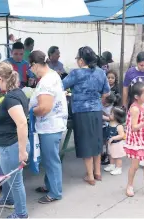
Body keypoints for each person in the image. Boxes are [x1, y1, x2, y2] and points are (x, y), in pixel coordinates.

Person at [63, 46, 110, 186]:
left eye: (77, 58)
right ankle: (98, 173)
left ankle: (90, 176)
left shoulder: (76, 73)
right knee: (96, 141)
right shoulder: (101, 72)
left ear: (82, 60)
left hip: (81, 112)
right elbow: (106, 93)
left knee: (85, 143)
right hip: (96, 111)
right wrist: (97, 103)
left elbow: (60, 85)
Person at [28, 50, 68, 204]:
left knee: (51, 160)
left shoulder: (46, 81)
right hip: (52, 124)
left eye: (31, 68)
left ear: (35, 65)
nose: (31, 71)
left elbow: (44, 108)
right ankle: (49, 185)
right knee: (48, 158)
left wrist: (31, 111)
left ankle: (55, 193)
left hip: (49, 125)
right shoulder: (52, 74)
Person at [0, 62, 29, 219]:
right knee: (1, 173)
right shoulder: (17, 93)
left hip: (11, 146)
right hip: (6, 146)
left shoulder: (11, 98)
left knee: (15, 181)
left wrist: (22, 151)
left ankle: (21, 214)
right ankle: (9, 199)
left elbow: (22, 122)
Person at [103, 106, 126, 175]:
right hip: (111, 144)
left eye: (111, 114)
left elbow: (121, 135)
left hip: (117, 144)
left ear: (117, 117)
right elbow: (104, 117)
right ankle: (112, 165)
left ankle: (119, 168)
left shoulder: (119, 126)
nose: (109, 114)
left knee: (117, 157)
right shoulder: (111, 121)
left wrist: (113, 138)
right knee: (111, 155)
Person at [101, 92, 121, 165]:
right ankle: (103, 154)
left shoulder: (111, 108)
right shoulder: (101, 104)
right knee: (103, 142)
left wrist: (102, 117)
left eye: (105, 104)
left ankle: (107, 157)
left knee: (107, 142)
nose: (103, 104)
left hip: (107, 127)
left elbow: (111, 119)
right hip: (102, 126)